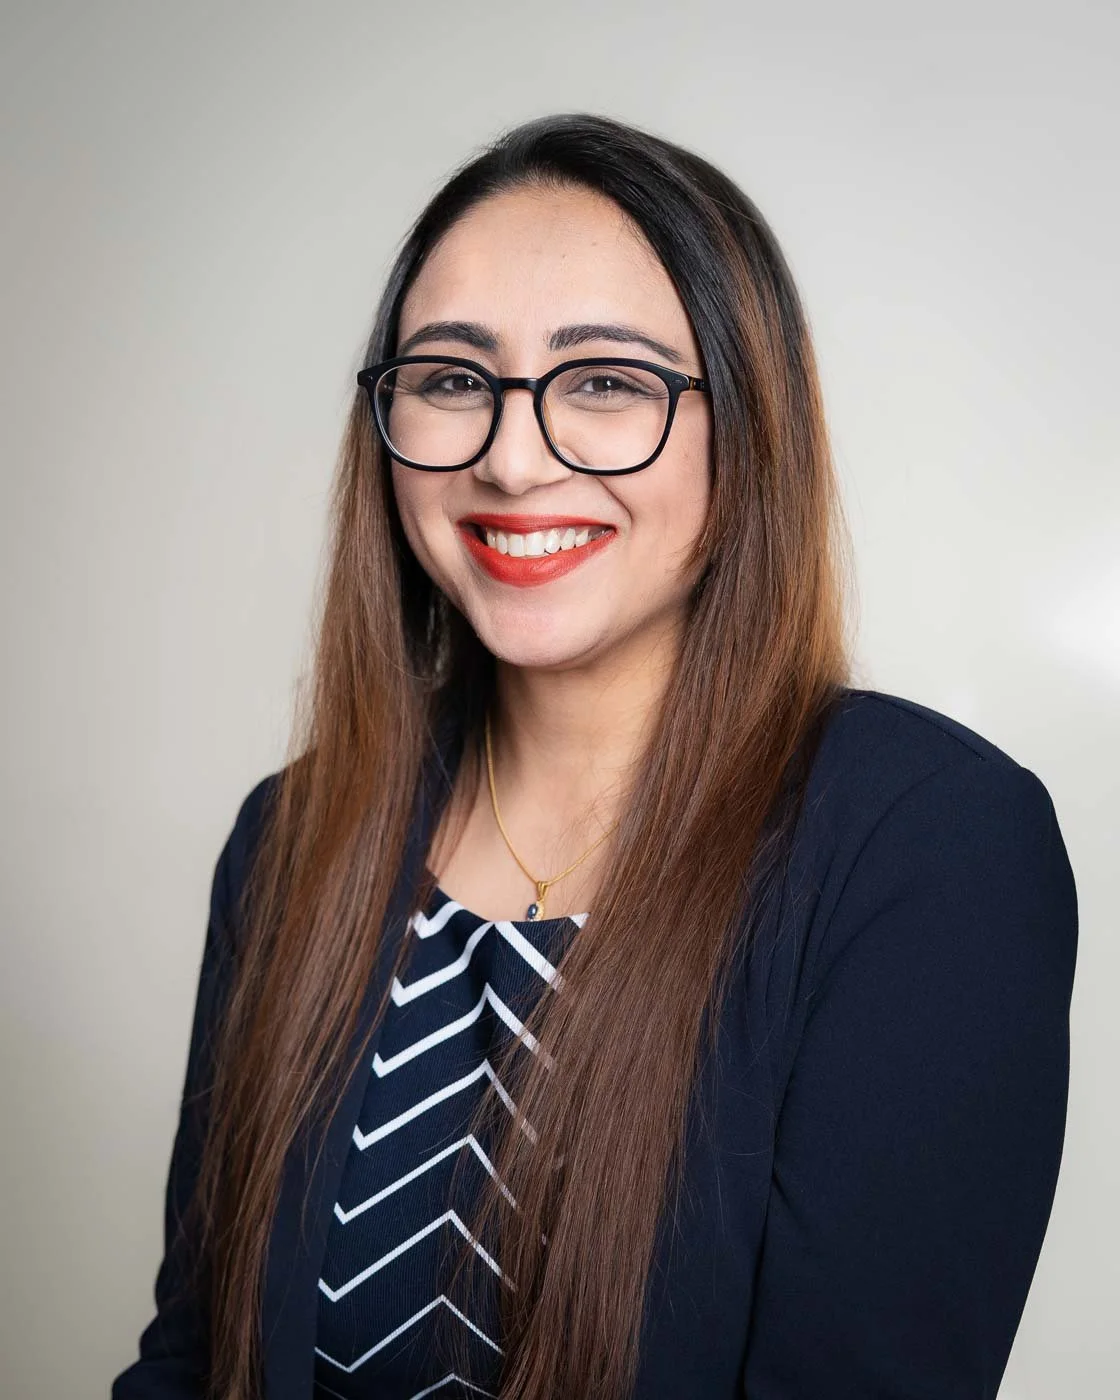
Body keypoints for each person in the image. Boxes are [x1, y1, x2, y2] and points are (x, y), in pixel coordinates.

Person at [111, 113, 1078, 1400]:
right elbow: (193, 1360)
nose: (512, 459)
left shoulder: (928, 848)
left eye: (606, 382)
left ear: (747, 432)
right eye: (453, 378)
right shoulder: (291, 838)